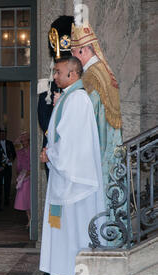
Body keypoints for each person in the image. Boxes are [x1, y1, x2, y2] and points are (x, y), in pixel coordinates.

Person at [39, 56, 105, 275]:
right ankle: (61, 268)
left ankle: (72, 271)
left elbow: (70, 142)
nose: (54, 76)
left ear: (73, 74)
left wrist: (50, 154)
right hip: (65, 175)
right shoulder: (69, 98)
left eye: (58, 72)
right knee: (64, 225)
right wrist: (51, 152)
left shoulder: (77, 99)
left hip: (75, 179)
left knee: (73, 227)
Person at [70, 18, 124, 219]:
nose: (73, 58)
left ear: (84, 50)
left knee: (100, 203)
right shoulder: (104, 71)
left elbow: (85, 115)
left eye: (74, 53)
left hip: (99, 151)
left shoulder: (91, 76)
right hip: (111, 148)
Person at [37, 16, 74, 180]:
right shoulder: (48, 86)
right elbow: (43, 117)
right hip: (53, 146)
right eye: (57, 70)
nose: (58, 74)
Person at [14, 131, 31, 229]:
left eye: (26, 141)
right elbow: (18, 166)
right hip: (24, 177)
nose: (24, 143)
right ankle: (29, 218)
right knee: (24, 199)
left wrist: (30, 172)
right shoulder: (19, 152)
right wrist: (20, 174)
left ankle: (32, 218)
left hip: (31, 176)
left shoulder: (32, 151)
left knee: (30, 199)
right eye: (22, 141)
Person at [0, 128, 16, 205]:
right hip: (0, 166)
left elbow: (14, 153)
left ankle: (6, 199)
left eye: (4, 134)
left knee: (8, 183)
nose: (3, 135)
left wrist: (11, 159)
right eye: (1, 134)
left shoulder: (10, 143)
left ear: (6, 135)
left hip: (8, 166)